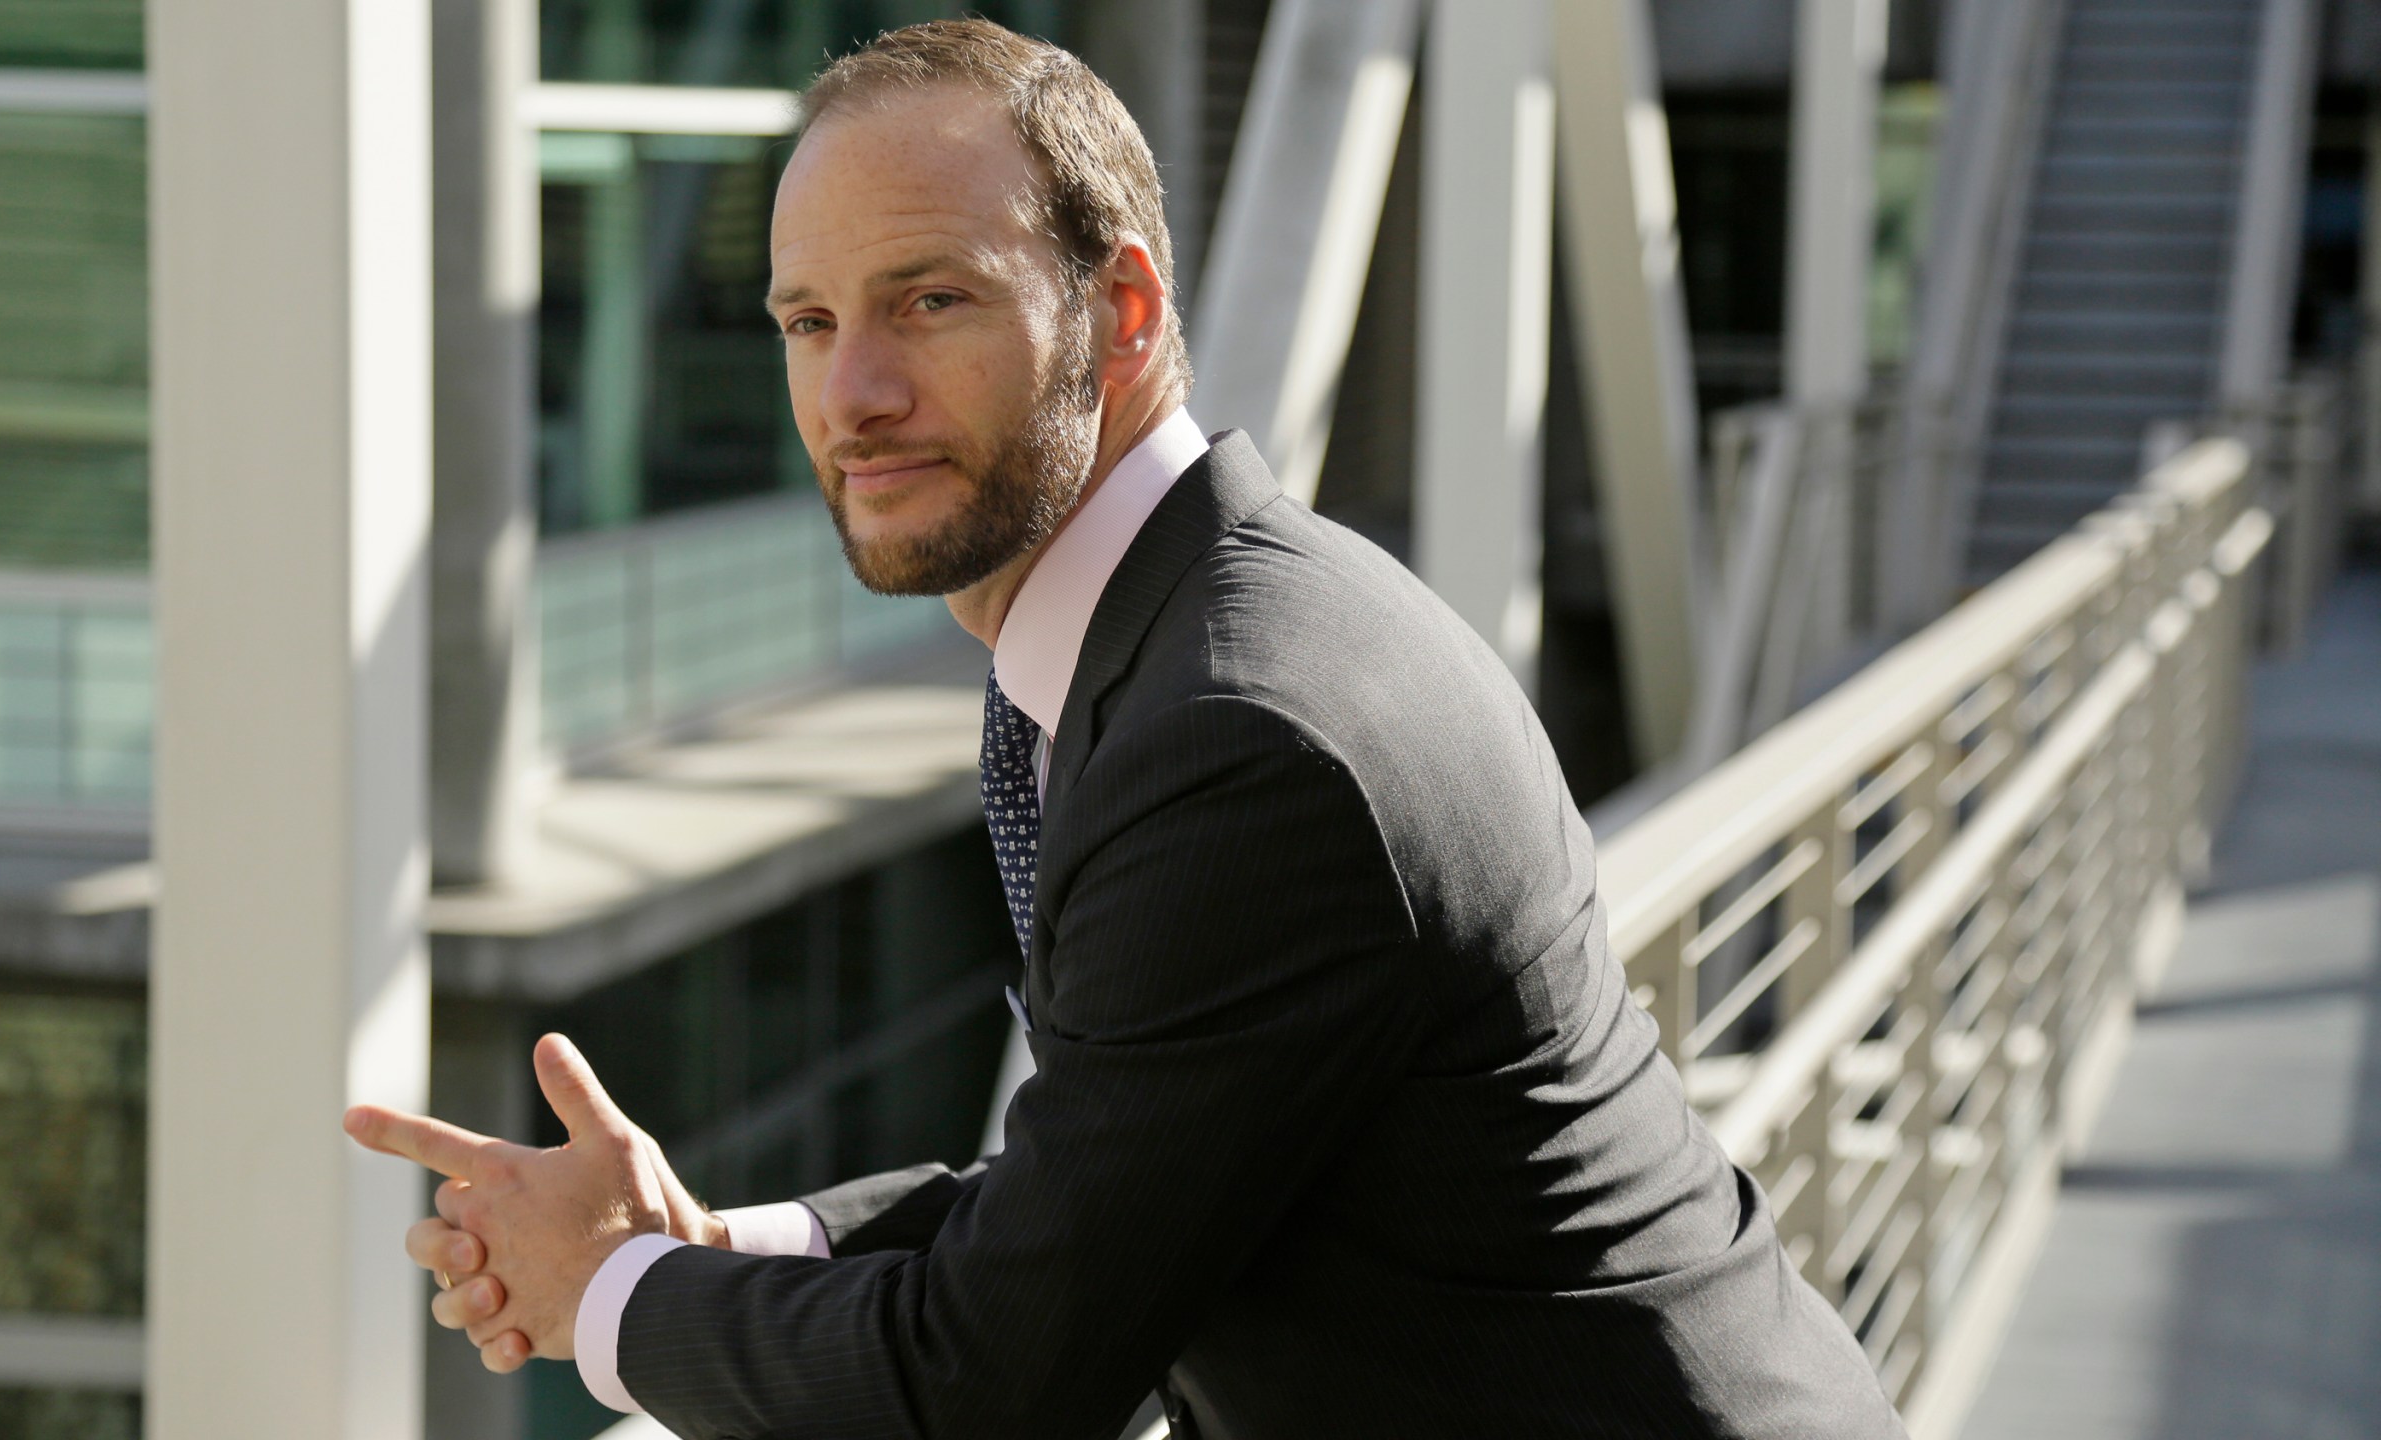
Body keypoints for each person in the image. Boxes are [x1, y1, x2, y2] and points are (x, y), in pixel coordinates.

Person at [346, 19, 1906, 1439]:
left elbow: (1001, 1382)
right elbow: (1107, 1169)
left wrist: (605, 1301)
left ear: (1128, 307)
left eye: (929, 300)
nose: (855, 392)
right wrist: (741, 1245)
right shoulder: (1176, 635)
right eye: (808, 322)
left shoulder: (1237, 734)